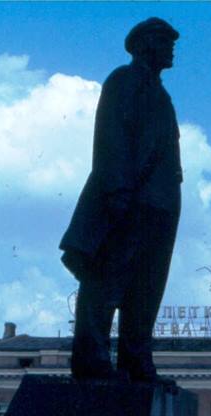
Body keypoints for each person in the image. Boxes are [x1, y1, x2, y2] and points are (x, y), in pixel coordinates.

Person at [60, 17, 183, 383]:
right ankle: (92, 359)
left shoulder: (160, 93)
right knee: (105, 283)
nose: (172, 47)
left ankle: (135, 361)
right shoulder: (123, 81)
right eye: (165, 41)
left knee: (147, 288)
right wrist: (117, 192)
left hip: (160, 206)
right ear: (145, 44)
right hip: (130, 200)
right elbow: (111, 140)